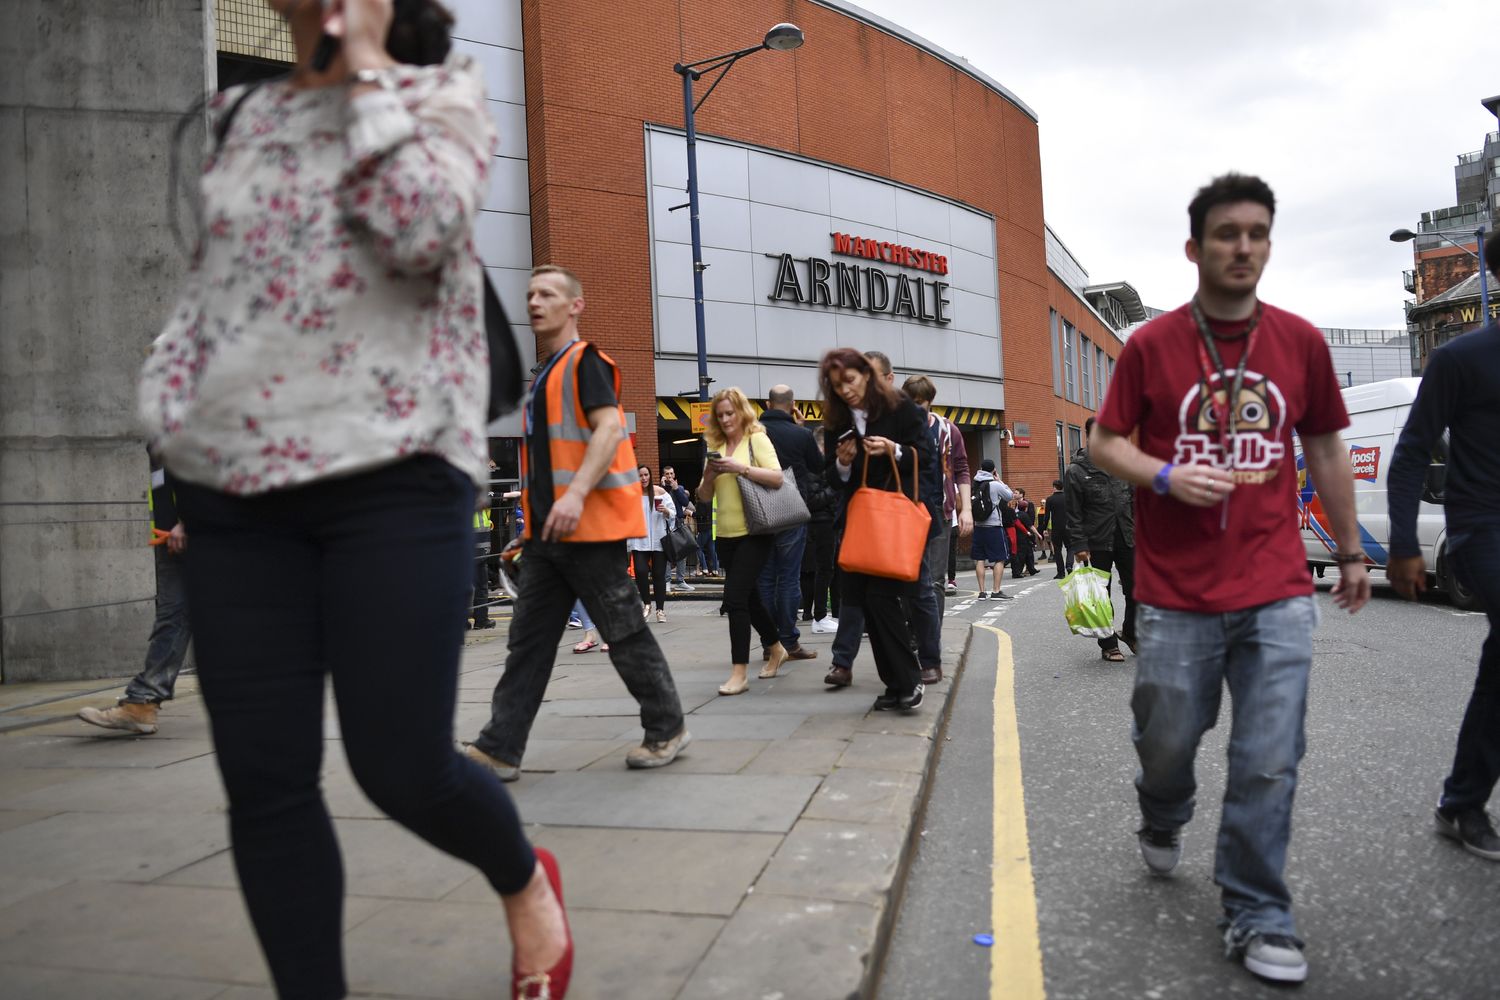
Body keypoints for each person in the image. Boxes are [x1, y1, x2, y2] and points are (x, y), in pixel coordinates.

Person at [135, 3, 572, 997]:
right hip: (235, 488)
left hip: (395, 473)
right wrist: (170, 400)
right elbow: (218, 294)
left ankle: (523, 881)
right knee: (265, 782)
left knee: (402, 766)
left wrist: (365, 67)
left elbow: (421, 230)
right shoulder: (233, 117)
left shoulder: (435, 96)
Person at [1089, 173, 1370, 984]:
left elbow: (1323, 451)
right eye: (1226, 234)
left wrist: (1349, 551)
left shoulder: (1300, 343)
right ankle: (1164, 805)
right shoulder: (1151, 346)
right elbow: (1106, 442)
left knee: (1270, 752)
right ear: (1195, 248)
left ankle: (1257, 908)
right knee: (1169, 737)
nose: (1242, 246)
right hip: (1175, 592)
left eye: (1256, 233)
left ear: (1268, 245)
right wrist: (1166, 476)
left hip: (1276, 582)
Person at [465, 265, 689, 784]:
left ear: (575, 306)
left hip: (589, 533)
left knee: (625, 633)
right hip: (549, 537)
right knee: (529, 642)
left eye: (547, 294)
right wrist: (532, 525)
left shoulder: (584, 363)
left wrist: (575, 496)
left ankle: (668, 727)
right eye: (529, 295)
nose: (534, 302)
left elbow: (610, 430)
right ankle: (500, 746)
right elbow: (547, 462)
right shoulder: (543, 376)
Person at [1386, 230, 1500, 862]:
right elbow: (1408, 456)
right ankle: (1462, 802)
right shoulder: (1462, 360)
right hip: (1483, 525)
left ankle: (1460, 800)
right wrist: (1403, 543)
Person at [820, 348, 932, 711]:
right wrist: (842, 463)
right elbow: (833, 480)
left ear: (867, 375)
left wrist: (894, 449)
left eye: (849, 381)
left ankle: (909, 681)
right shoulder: (838, 420)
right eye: (837, 386)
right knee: (866, 603)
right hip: (859, 525)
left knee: (882, 599)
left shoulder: (900, 408)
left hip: (892, 522)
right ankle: (897, 684)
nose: (845, 391)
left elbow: (926, 455)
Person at [78, 459, 192, 735]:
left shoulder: (184, 421)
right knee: (176, 618)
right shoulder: (161, 433)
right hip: (172, 542)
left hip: (193, 537)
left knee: (177, 617)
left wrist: (191, 521)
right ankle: (143, 704)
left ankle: (143, 701)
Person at [696, 387, 793, 695]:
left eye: (730, 413)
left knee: (735, 600)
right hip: (725, 536)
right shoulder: (715, 444)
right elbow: (703, 495)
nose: (725, 419)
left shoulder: (757, 438)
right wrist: (710, 474)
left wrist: (741, 468)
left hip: (755, 531)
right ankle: (776, 647)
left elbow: (777, 477)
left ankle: (739, 673)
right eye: (720, 414)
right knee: (750, 598)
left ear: (742, 412)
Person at [756, 385, 824, 662]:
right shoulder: (801, 434)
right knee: (789, 578)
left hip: (760, 510)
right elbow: (819, 467)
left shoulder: (754, 433)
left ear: (768, 403)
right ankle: (790, 643)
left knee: (765, 579)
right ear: (792, 404)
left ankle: (769, 644)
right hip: (792, 509)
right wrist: (802, 428)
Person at [902, 375, 973, 638]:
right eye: (910, 402)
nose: (914, 408)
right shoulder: (897, 430)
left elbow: (962, 469)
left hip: (939, 512)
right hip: (905, 513)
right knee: (908, 577)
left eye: (919, 403)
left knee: (935, 581)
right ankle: (911, 631)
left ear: (930, 402)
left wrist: (965, 509)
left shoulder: (947, 429)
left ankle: (930, 636)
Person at [1065, 417, 1137, 662]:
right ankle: (1108, 643)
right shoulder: (1077, 470)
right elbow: (1073, 513)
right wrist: (1079, 544)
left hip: (1128, 537)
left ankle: (1131, 631)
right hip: (1096, 542)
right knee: (1100, 595)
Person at [628, 466, 675, 623]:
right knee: (640, 571)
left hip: (658, 539)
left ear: (650, 475)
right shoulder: (632, 494)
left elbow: (673, 513)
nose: (643, 478)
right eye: (640, 475)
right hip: (639, 539)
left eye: (646, 474)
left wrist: (666, 511)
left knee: (658, 575)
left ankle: (660, 610)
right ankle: (646, 605)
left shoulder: (660, 492)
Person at [970, 459, 1013, 600]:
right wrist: (1000, 480)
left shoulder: (975, 484)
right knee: (1000, 558)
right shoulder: (994, 485)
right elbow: (1009, 496)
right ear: (993, 470)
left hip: (978, 526)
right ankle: (996, 591)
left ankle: (982, 592)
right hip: (994, 527)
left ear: (981, 468)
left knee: (980, 559)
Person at [660, 465, 697, 590]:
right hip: (665, 523)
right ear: (663, 476)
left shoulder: (679, 488)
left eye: (671, 473)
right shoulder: (660, 489)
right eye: (667, 474)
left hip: (679, 522)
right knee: (668, 553)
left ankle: (681, 581)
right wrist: (664, 487)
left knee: (683, 551)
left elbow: (685, 503)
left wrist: (676, 489)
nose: (669, 476)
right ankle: (667, 581)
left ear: (674, 475)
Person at [1039, 478, 1073, 578]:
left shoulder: (1050, 499)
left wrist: (1044, 528)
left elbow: (1047, 516)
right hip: (1068, 526)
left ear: (1054, 487)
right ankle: (1069, 565)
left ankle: (1061, 573)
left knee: (1057, 550)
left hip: (1056, 528)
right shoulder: (1068, 497)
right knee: (1070, 547)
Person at [1009, 488, 1041, 578]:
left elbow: (1031, 519)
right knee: (1024, 551)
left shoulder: (1028, 504)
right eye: (1014, 493)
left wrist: (1029, 529)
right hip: (1020, 531)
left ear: (1022, 494)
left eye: (1016, 493)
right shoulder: (1016, 505)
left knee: (1027, 551)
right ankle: (1027, 569)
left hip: (1026, 530)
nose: (1014, 494)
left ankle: (1029, 568)